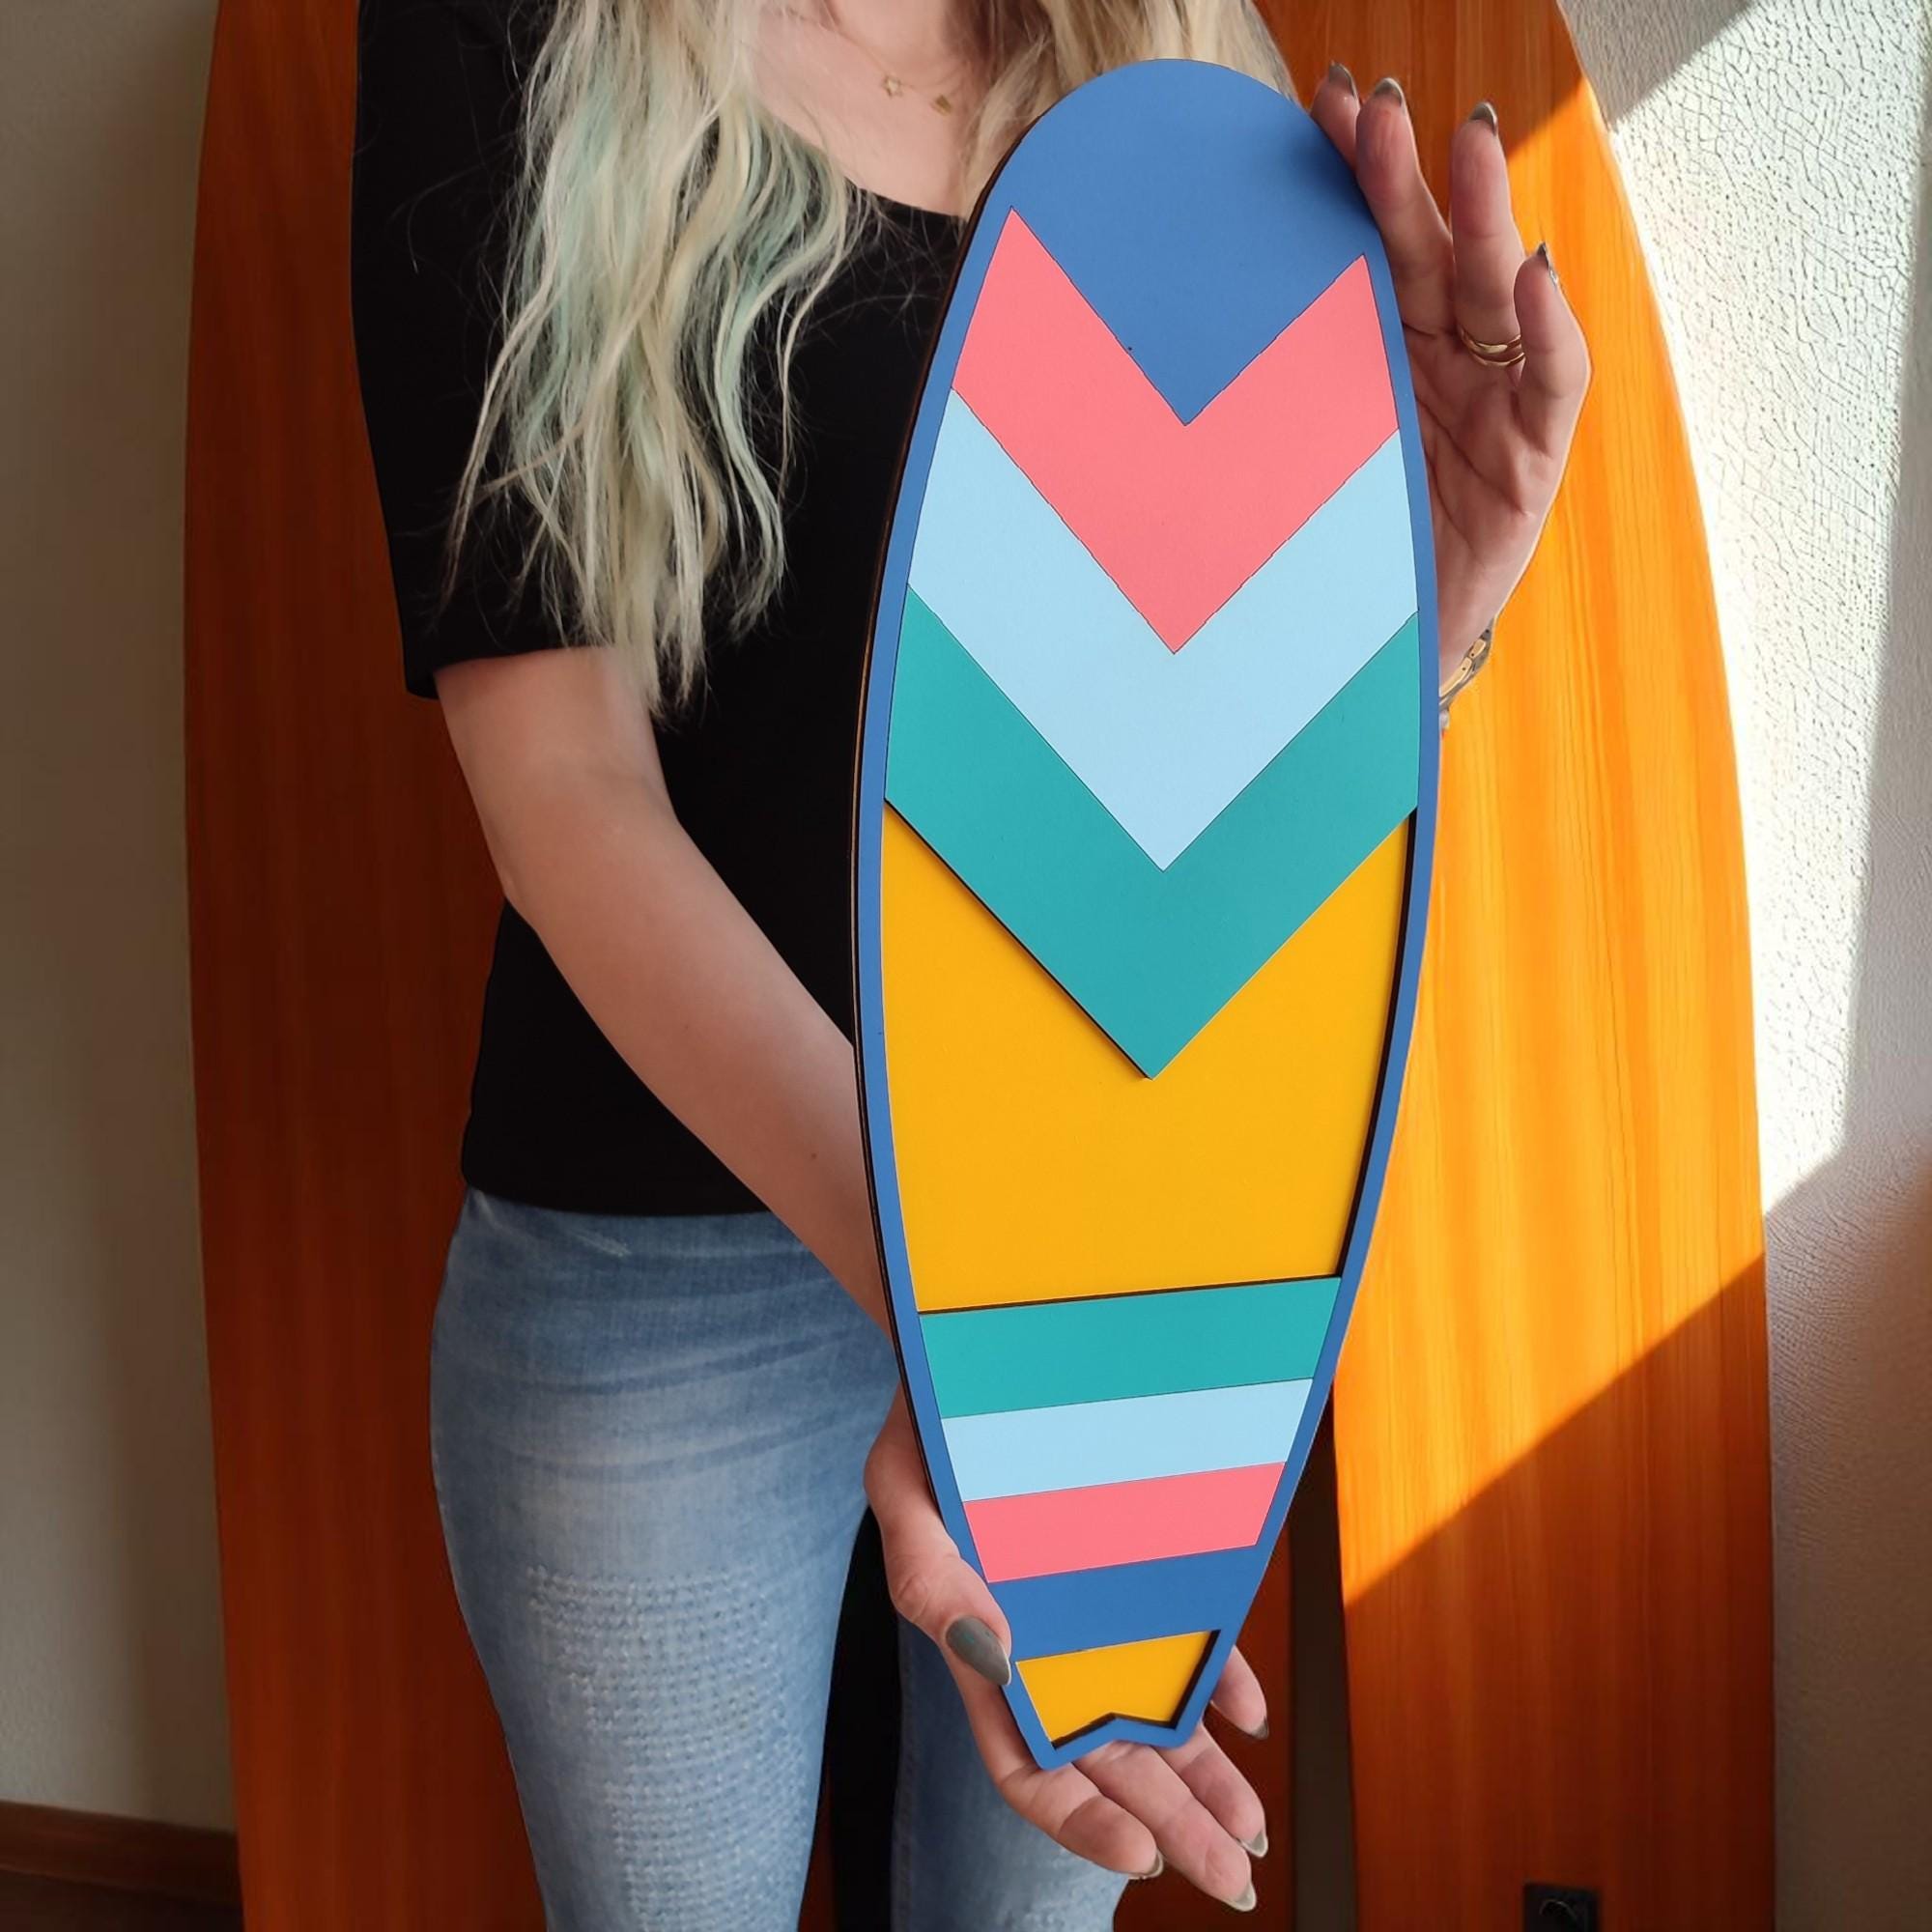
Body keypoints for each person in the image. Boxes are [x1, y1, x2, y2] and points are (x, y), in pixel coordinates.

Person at [348, 3, 1589, 1925]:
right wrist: (982, 1326)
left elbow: (1207, 814)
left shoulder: (1180, 56)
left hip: (1093, 1257)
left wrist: (1427, 602)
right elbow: (564, 796)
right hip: (666, 1275)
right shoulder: (512, 40)